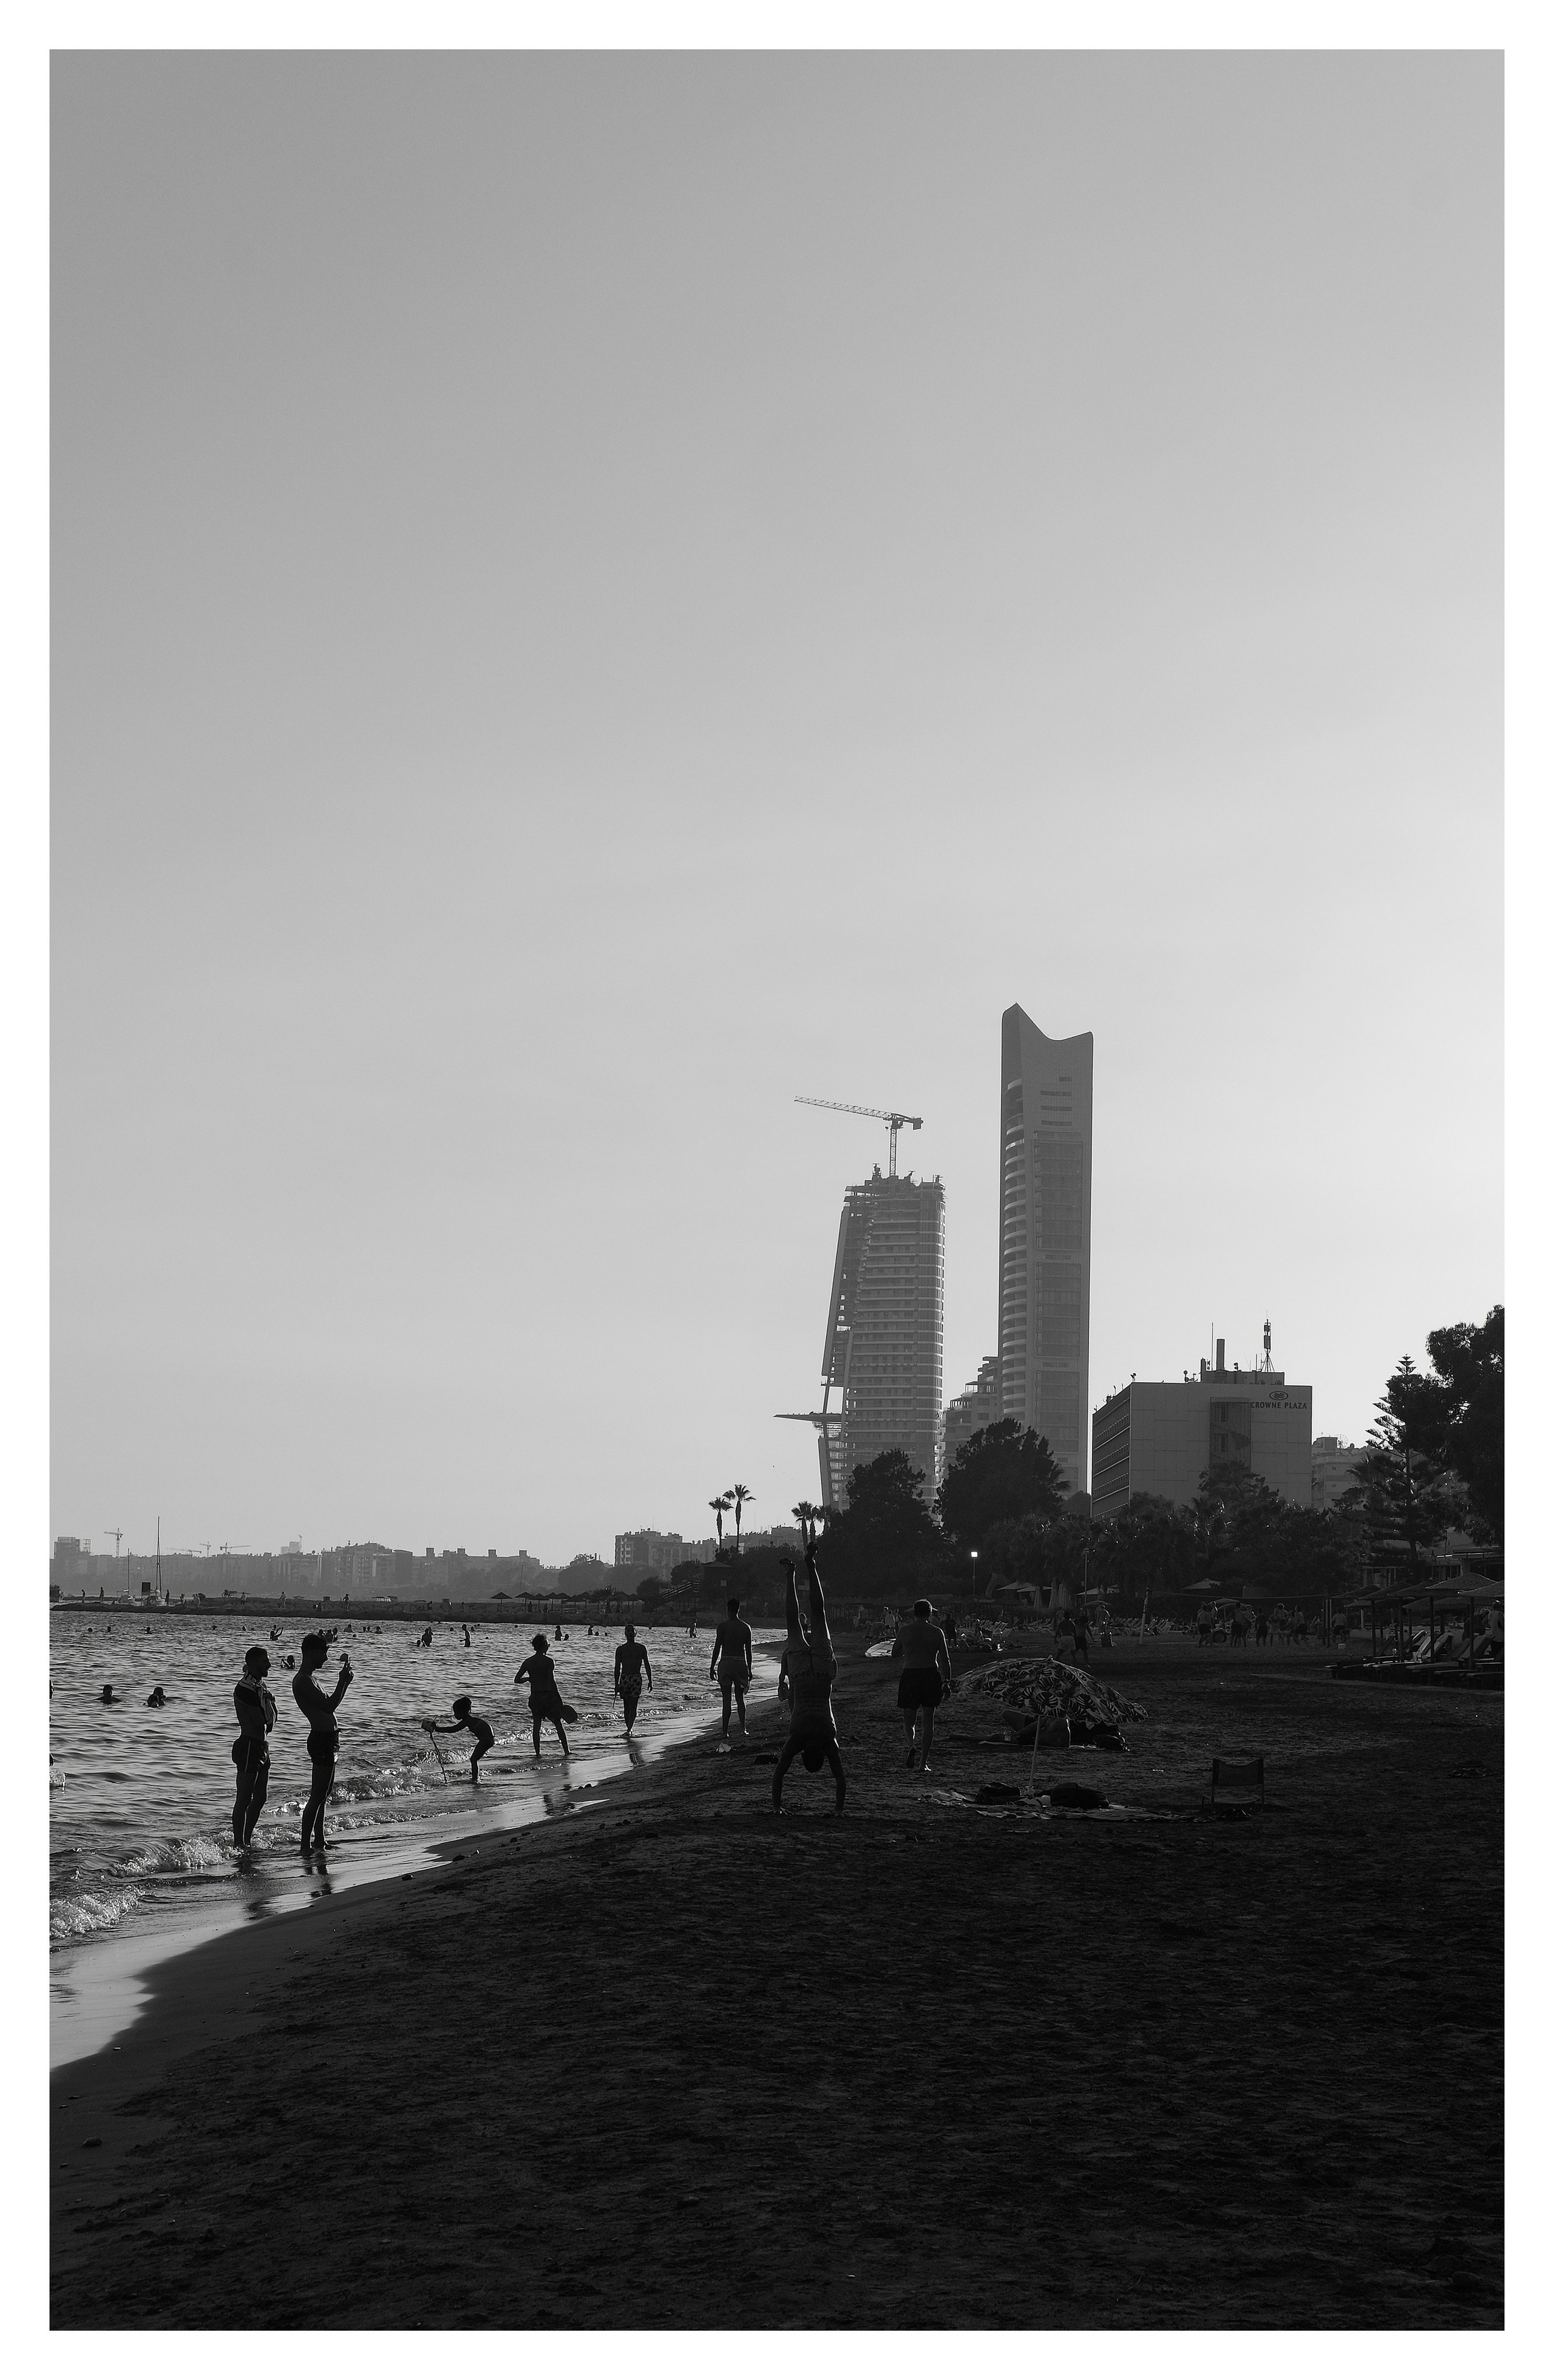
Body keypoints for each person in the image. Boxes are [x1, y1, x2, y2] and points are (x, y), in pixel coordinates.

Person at [772, 1524, 845, 1814]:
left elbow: (840, 1779)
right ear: (806, 1755)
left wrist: (839, 1810)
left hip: (821, 1673)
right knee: (795, 1619)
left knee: (817, 1614)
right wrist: (776, 1806)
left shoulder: (828, 1740)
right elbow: (779, 1775)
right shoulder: (799, 1739)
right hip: (803, 1674)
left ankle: (808, 1567)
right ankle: (794, 1572)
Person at [293, 1632, 353, 1855]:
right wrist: (342, 1683)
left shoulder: (312, 1679)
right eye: (324, 1653)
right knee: (317, 1794)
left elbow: (330, 1706)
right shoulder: (303, 1681)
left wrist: (344, 1684)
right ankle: (305, 1845)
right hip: (321, 1739)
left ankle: (319, 1839)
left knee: (324, 1794)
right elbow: (329, 1707)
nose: (326, 1659)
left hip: (330, 1739)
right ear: (311, 1653)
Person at [892, 1599, 954, 1772]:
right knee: (928, 1722)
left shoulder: (905, 1631)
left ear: (914, 1613)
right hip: (930, 1675)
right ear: (930, 1614)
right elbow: (945, 1659)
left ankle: (911, 1745)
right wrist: (947, 1682)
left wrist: (908, 1648)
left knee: (909, 1720)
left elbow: (894, 1654)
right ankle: (923, 1763)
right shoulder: (937, 1632)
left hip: (910, 1674)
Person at [231, 1645, 277, 1848]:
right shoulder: (245, 1688)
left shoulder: (260, 1686)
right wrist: (268, 1707)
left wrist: (271, 1705)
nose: (269, 1664)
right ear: (252, 1664)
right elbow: (260, 1720)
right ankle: (238, 1842)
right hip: (249, 1745)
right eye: (265, 1661)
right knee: (244, 1798)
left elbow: (272, 1721)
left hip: (262, 1746)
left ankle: (246, 1840)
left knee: (260, 1797)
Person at [710, 1595, 753, 1750]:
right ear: (739, 1609)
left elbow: (717, 1648)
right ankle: (743, 1729)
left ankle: (725, 1731)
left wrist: (712, 1666)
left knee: (726, 1699)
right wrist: (750, 1668)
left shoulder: (722, 1627)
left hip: (726, 1663)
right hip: (740, 1663)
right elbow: (748, 1651)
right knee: (740, 1698)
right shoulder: (746, 1628)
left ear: (728, 1610)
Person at [515, 1635, 570, 1757]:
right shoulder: (549, 1662)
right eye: (548, 1645)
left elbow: (517, 1680)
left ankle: (538, 1754)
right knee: (558, 1724)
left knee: (537, 1726)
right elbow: (551, 1681)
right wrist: (558, 1699)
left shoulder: (528, 1662)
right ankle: (567, 1751)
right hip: (548, 1697)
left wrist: (529, 1678)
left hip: (535, 1697)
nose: (549, 1647)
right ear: (544, 1646)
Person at [424, 1695, 495, 1783]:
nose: (455, 1715)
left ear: (462, 1712)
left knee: (474, 1759)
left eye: (456, 1713)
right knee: (474, 1759)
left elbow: (453, 1729)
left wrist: (437, 1729)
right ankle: (475, 1778)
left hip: (486, 1739)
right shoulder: (470, 1720)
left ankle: (475, 1779)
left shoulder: (467, 1721)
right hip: (488, 1738)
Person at [614, 1622, 652, 1736]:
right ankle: (629, 1728)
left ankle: (629, 1729)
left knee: (634, 1704)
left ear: (635, 1633)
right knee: (626, 1707)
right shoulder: (620, 1649)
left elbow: (647, 1665)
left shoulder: (641, 1648)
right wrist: (616, 1684)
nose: (630, 1633)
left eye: (632, 1630)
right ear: (625, 1633)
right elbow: (617, 1668)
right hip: (625, 1678)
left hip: (636, 1678)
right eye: (628, 1631)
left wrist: (650, 1680)